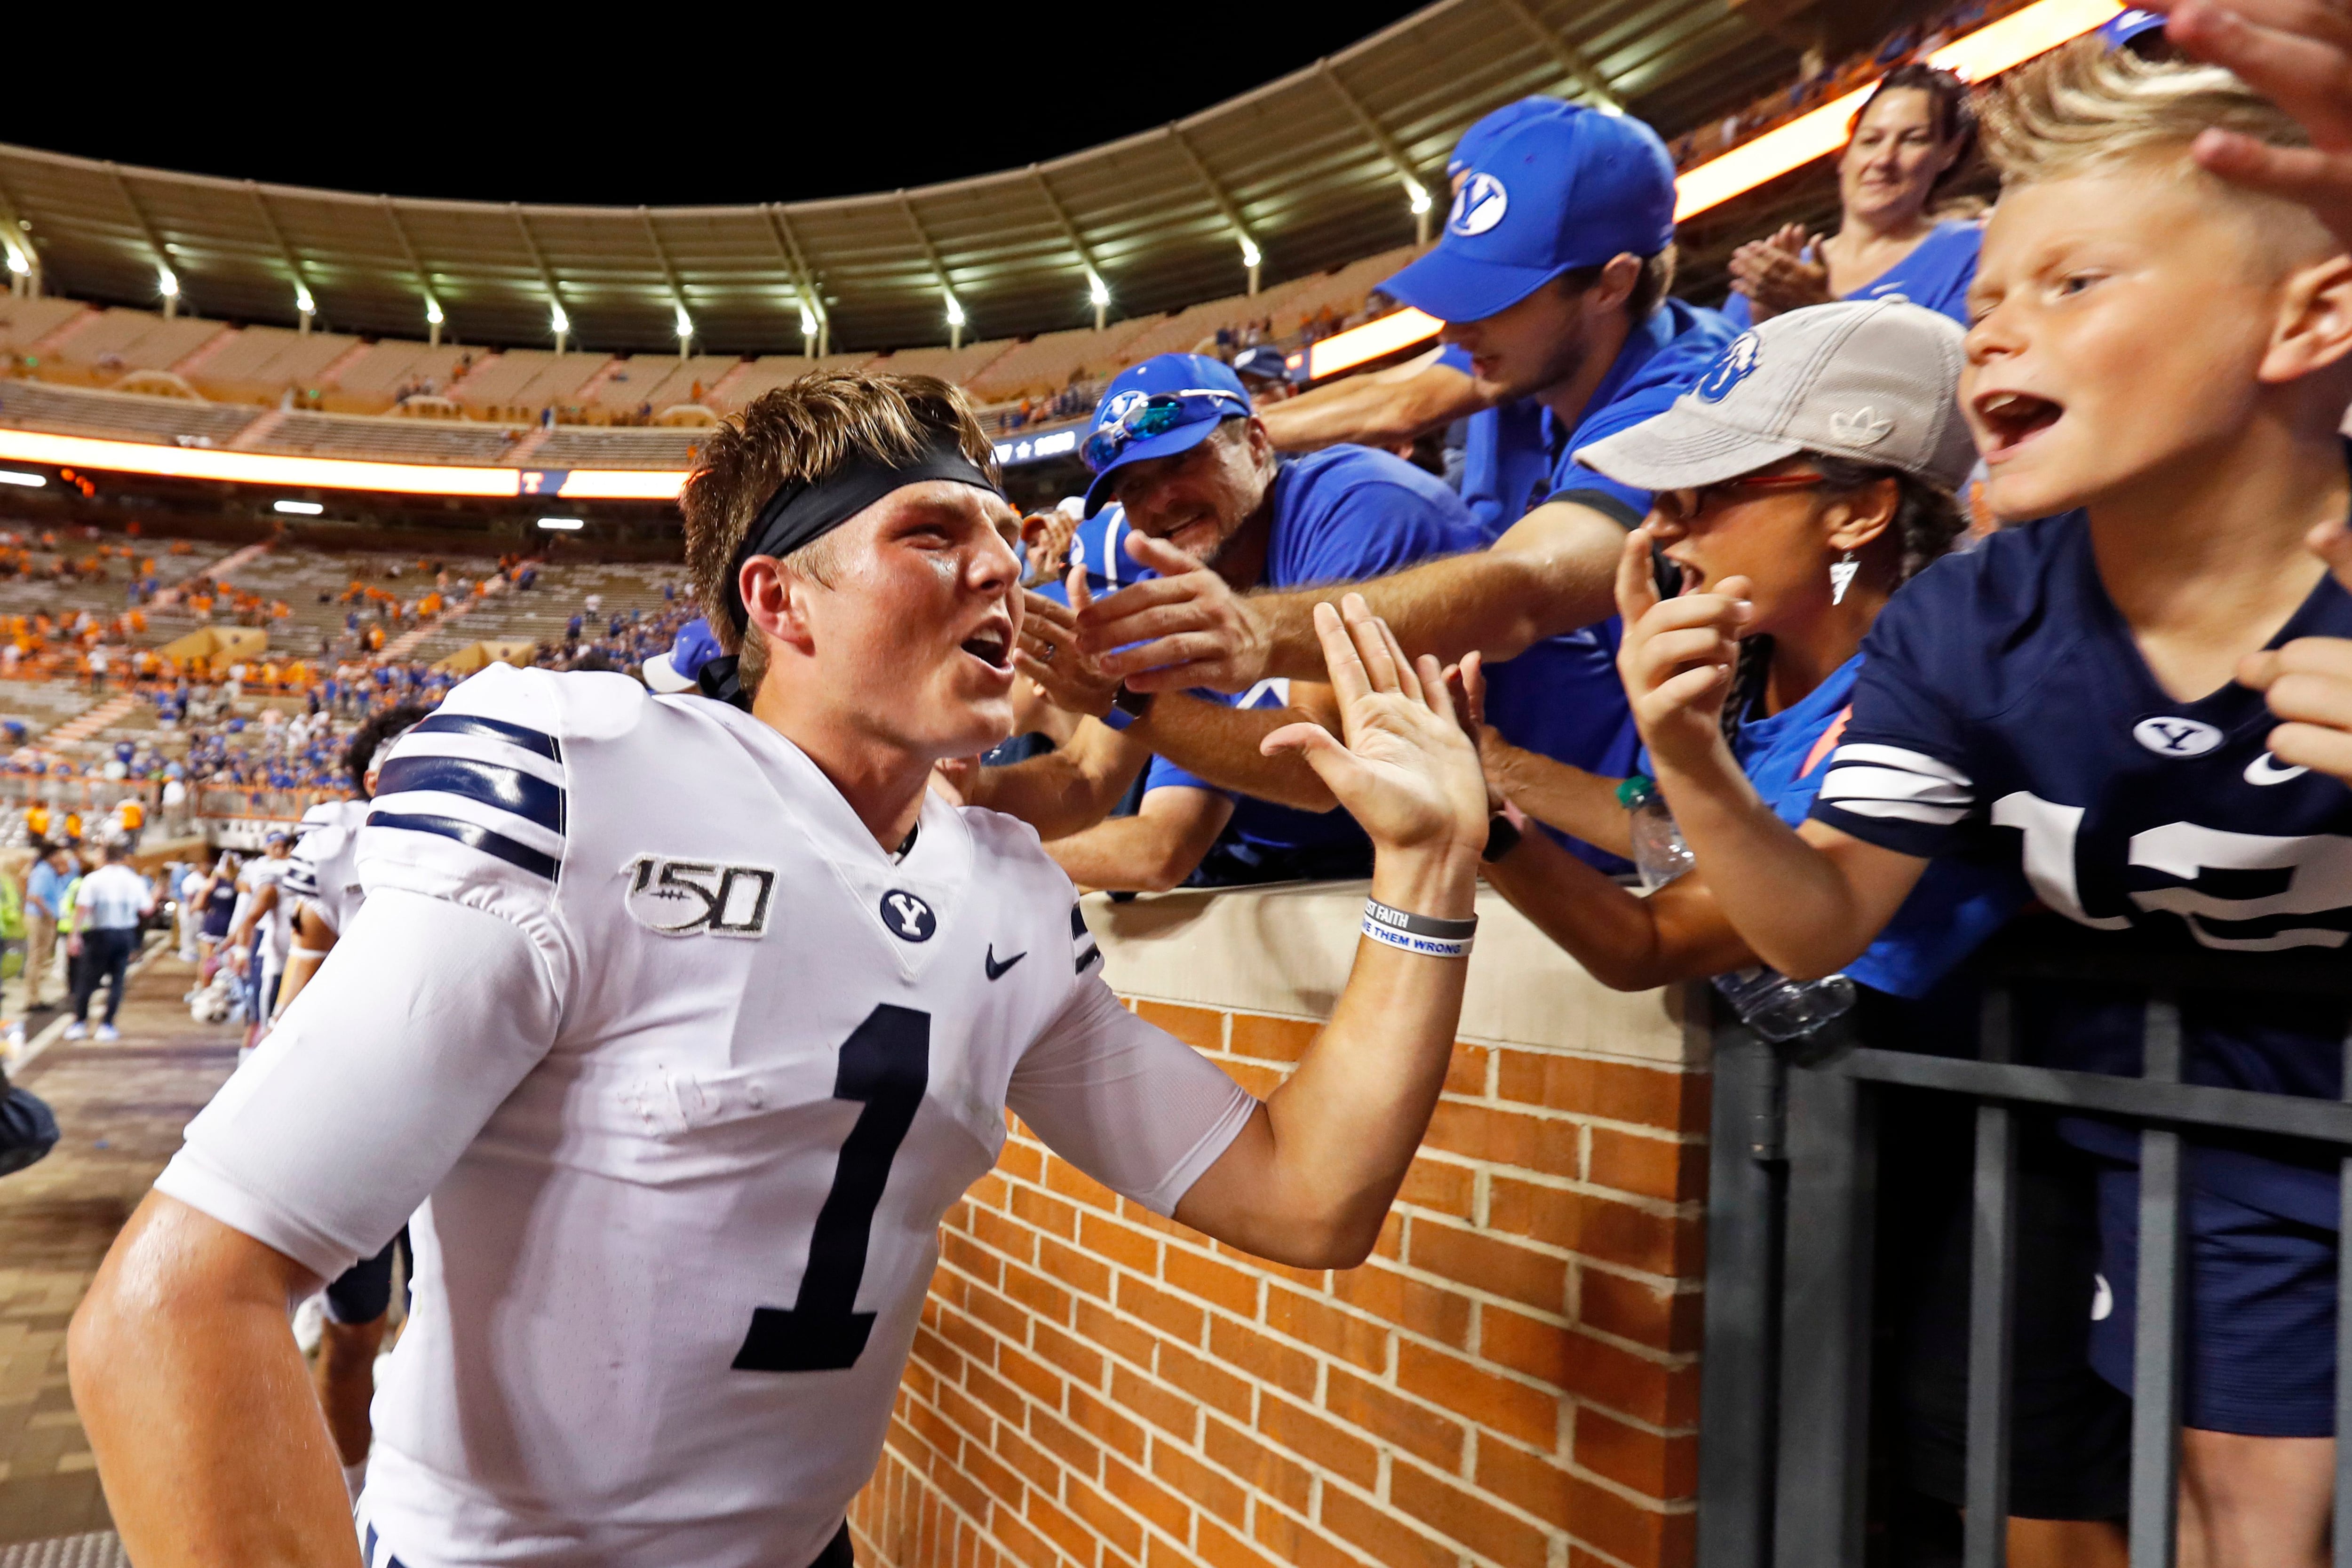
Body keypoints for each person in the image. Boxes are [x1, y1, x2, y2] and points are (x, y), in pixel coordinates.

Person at [70, 371, 1494, 1568]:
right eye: (933, 532)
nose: (1003, 564)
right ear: (781, 602)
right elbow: (178, 1306)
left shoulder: (993, 886)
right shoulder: (585, 782)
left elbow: (1306, 1197)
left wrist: (1424, 876)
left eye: (1006, 531)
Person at [1615, 40, 2352, 1567]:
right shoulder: (1971, 622)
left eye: (2074, 282)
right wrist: (1688, 760)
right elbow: (1819, 923)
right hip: (2223, 1146)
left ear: (2311, 319)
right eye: (1990, 292)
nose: (1996, 324)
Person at [1470, 298, 2126, 1564]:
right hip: (1886, 1158)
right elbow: (1668, 843)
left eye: (1707, 490)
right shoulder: (1766, 668)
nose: (1664, 525)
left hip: (2024, 1155)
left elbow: (1667, 931)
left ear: (1858, 508)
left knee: (2025, 1501)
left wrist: (1521, 811)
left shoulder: (1944, 669)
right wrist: (1489, 789)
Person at [1072, 104, 1735, 738]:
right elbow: (1388, 394)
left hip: (1648, 812)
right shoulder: (1528, 358)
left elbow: (1523, 592)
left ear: (1611, 286)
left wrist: (1258, 630)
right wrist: (1212, 437)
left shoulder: (1676, 401)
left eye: (1493, 298)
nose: (1453, 329)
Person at [969, 353, 1491, 874]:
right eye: (1133, 489)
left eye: (1182, 462)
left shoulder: (1355, 505)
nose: (1161, 502)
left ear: (1258, 443)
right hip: (1393, 868)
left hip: (1530, 834)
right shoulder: (1174, 590)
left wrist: (1115, 698)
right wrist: (957, 806)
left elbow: (1326, 767)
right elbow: (1091, 779)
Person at [270, 704, 431, 1504]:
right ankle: (351, 1494)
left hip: (476, 1131)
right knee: (355, 1327)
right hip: (364, 1120)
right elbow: (303, 978)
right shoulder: (342, 848)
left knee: (457, 1326)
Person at [1724, 65, 1982, 329]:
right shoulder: (1769, 277)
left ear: (1949, 152)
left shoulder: (1972, 253)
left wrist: (1817, 308)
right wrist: (1765, 339)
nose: (1883, 159)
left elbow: (1945, 367)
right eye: (1871, 141)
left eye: (1913, 140)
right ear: (1844, 156)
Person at [64, 840, 152, 1043]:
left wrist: (74, 934)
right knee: (117, 982)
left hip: (100, 933)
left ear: (105, 856)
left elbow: (83, 907)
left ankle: (80, 1023)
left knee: (87, 979)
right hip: (125, 933)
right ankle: (107, 1025)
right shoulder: (134, 880)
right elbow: (146, 909)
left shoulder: (94, 879)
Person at [20, 842, 68, 1016]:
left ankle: (36, 996)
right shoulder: (43, 871)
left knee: (41, 958)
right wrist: (49, 915)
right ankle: (32, 998)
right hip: (39, 918)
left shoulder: (48, 871)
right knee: (36, 958)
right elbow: (34, 896)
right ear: (52, 855)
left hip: (42, 917)